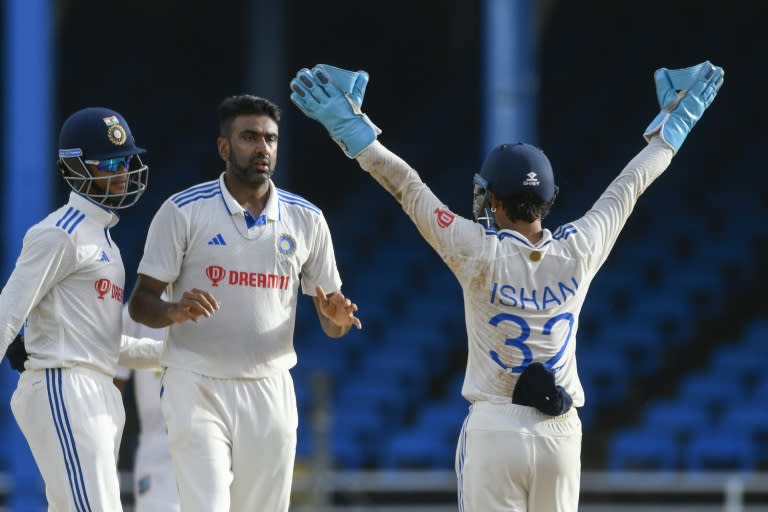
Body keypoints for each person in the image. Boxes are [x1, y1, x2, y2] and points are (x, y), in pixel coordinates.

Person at [289, 62, 724, 510]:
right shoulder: (581, 247)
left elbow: (408, 187)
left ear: (493, 200)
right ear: (549, 201)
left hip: (495, 426)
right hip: (560, 432)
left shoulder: (475, 250)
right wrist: (678, 120)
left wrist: (354, 132)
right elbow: (631, 182)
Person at [126, 94, 362, 511]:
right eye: (250, 137)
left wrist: (336, 321)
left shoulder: (307, 219)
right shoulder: (183, 211)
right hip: (195, 383)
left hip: (270, 388)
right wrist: (174, 311)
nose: (262, 148)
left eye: (270, 139)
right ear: (224, 147)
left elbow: (333, 324)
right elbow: (140, 303)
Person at [0, 106, 162, 510]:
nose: (122, 171)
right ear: (76, 169)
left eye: (125, 160)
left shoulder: (106, 242)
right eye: (109, 162)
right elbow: (8, 312)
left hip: (97, 389)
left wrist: (178, 352)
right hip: (65, 386)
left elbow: (105, 344)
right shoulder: (59, 232)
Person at [115, 298, 180, 512]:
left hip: (209, 444)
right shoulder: (136, 310)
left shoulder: (216, 304)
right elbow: (113, 390)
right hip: (157, 448)